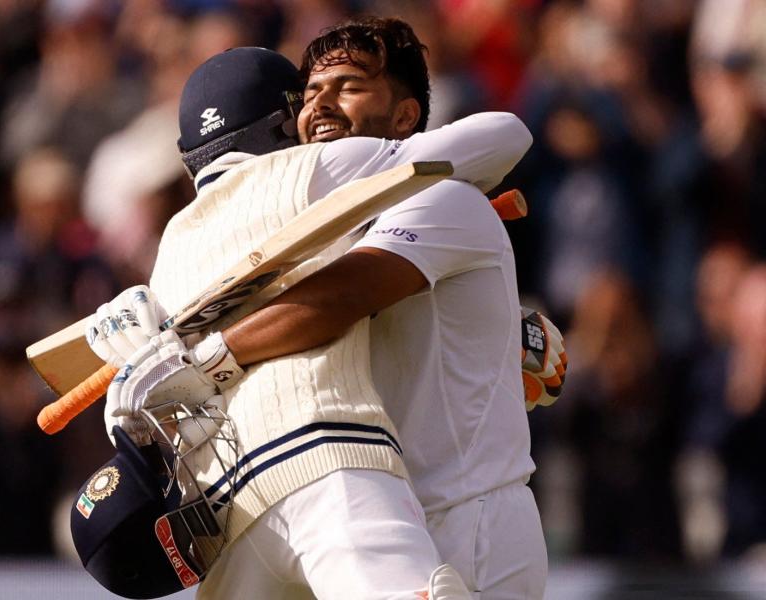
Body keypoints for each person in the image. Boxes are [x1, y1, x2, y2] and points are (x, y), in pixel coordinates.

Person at [77, 44, 535, 600]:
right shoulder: (308, 180)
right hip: (329, 465)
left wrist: (163, 358)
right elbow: (499, 139)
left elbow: (344, 296)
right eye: (308, 96)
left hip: (265, 510)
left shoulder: (173, 245)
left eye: (345, 88)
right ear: (282, 123)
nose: (317, 111)